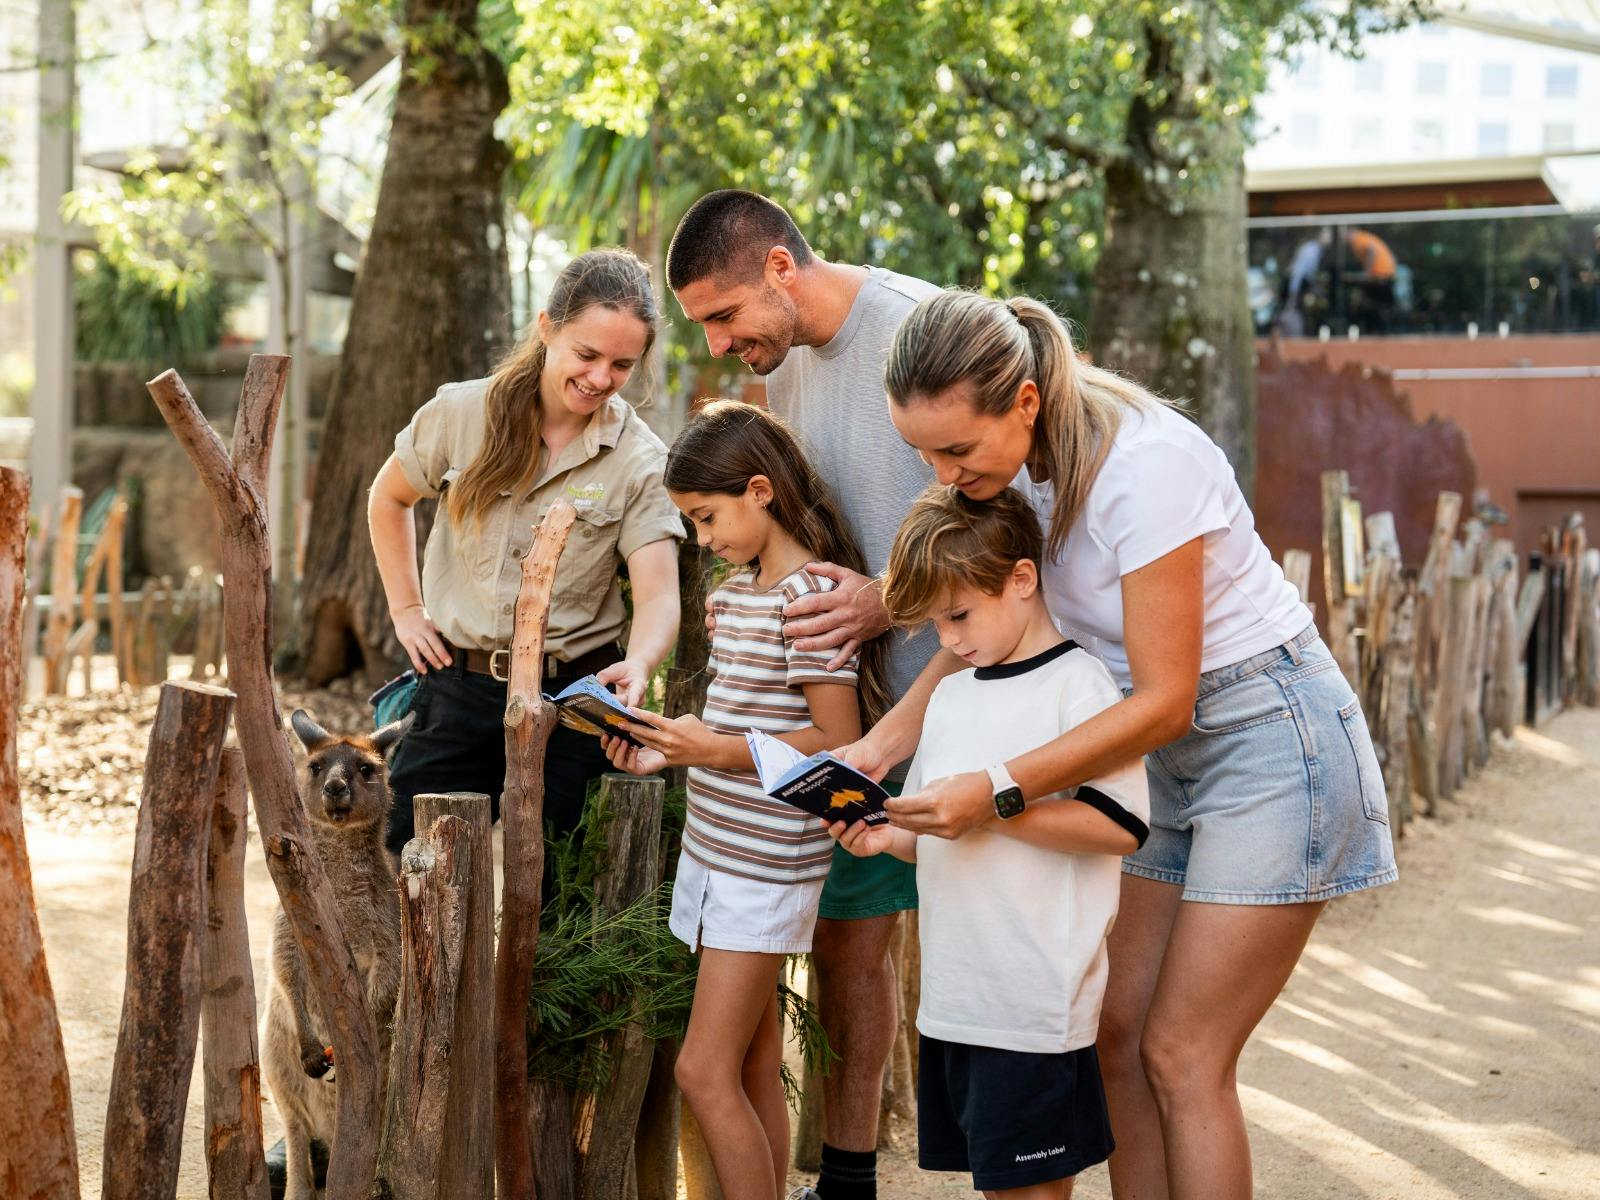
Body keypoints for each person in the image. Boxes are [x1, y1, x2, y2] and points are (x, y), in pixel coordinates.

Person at [843, 290, 1398, 1199]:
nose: (939, 474)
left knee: (1184, 1052)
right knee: (1115, 1034)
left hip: (1266, 738)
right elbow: (986, 627)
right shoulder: (1006, 470)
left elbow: (1169, 699)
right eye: (921, 451)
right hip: (1145, 751)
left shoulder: (1145, 465)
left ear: (1023, 402)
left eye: (954, 449)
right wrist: (881, 747)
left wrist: (998, 788)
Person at [666, 189, 939, 1199]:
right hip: (809, 725)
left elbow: (999, 517)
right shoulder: (781, 374)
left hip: (909, 710)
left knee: (855, 956)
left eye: (725, 316)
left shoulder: (916, 333)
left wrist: (883, 604)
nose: (722, 341)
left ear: (779, 267)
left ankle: (853, 1169)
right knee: (801, 953)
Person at [600, 400, 885, 1200]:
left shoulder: (812, 602)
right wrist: (666, 750)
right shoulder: (733, 595)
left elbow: (836, 740)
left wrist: (709, 748)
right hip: (715, 853)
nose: (702, 538)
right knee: (752, 1060)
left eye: (706, 516)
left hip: (766, 868)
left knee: (702, 1070)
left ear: (761, 490)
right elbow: (740, 723)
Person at [832, 484, 1149, 1200]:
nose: (948, 641)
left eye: (959, 615)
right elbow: (947, 835)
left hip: (1034, 1005)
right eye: (935, 624)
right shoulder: (953, 692)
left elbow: (1120, 826)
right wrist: (889, 839)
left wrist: (990, 809)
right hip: (956, 999)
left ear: (1023, 580)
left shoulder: (1081, 687)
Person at [368, 248, 684, 858]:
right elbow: (389, 498)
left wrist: (641, 662)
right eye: (587, 355)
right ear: (547, 327)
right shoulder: (461, 413)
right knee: (412, 871)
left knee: (561, 900)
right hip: (458, 688)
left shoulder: (640, 459)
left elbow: (658, 595)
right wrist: (407, 610)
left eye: (622, 365)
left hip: (573, 703)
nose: (600, 378)